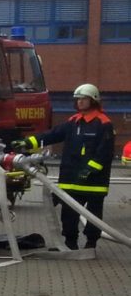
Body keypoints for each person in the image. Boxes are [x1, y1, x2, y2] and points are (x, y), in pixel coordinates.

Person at [12, 83, 115, 250]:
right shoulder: (73, 122)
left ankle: (91, 243)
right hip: (70, 179)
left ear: (93, 100)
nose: (80, 102)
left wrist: (90, 169)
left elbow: (104, 152)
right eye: (78, 99)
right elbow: (52, 135)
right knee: (68, 214)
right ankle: (70, 243)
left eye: (84, 99)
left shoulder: (103, 124)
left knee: (93, 215)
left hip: (93, 182)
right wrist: (28, 142)